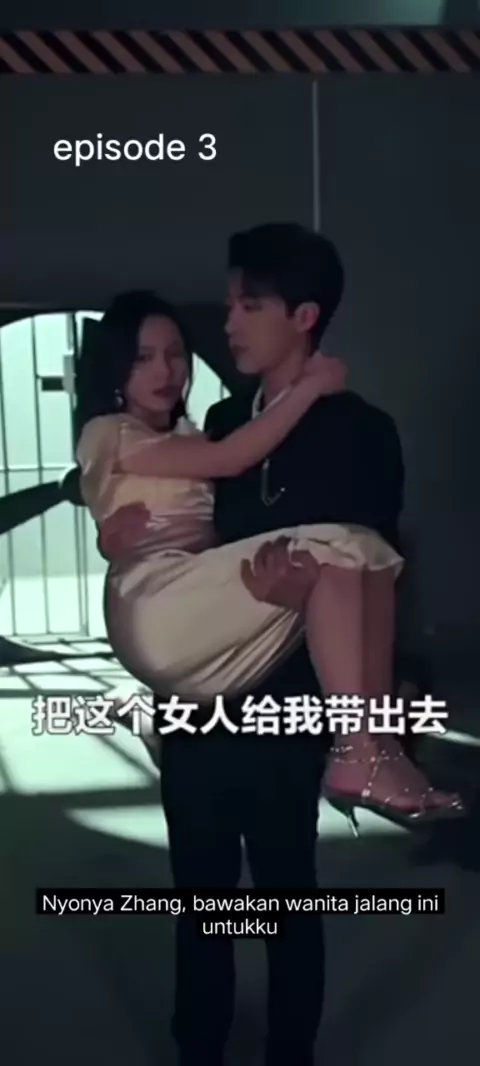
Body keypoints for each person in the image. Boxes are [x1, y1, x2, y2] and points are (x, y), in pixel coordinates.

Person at [76, 245, 463, 1066]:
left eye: (247, 305)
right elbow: (161, 511)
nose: (226, 324)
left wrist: (382, 689)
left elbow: (378, 568)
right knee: (203, 899)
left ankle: (291, 1052)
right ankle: (199, 1047)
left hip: (285, 707)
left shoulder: (360, 430)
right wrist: (109, 533)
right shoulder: (219, 424)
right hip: (198, 711)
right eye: (228, 306)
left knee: (288, 896)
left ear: (303, 317)